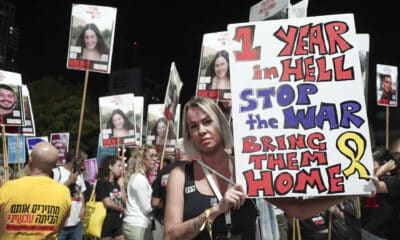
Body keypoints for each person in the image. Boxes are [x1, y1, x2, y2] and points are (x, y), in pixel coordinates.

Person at [163, 97, 348, 240]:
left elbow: (297, 209)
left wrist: (349, 192)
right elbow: (170, 236)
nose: (201, 130)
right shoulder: (179, 175)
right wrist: (215, 211)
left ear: (220, 122)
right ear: (189, 134)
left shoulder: (249, 167)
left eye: (207, 121)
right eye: (193, 126)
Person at [0, 142, 71, 239]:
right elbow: (59, 227)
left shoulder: (8, 188)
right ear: (54, 166)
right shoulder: (64, 192)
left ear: (30, 161)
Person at [361, 146, 400, 240]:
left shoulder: (393, 182)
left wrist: (379, 172)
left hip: (381, 235)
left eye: (372, 163)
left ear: (384, 164)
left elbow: (368, 189)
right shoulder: (375, 179)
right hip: (367, 231)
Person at [123, 144, 158, 240]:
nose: (155, 159)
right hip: (137, 225)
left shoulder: (140, 177)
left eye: (156, 156)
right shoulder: (139, 179)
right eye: (151, 156)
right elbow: (147, 208)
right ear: (142, 158)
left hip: (138, 225)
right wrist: (161, 202)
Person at [52, 149, 87, 240]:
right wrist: (68, 182)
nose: (83, 165)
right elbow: (52, 194)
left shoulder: (78, 173)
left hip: (77, 223)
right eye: (82, 161)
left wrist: (83, 208)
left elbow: (81, 192)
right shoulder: (56, 172)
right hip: (61, 224)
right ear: (74, 161)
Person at [96, 155, 127, 240]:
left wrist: (121, 187)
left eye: (122, 166)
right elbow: (108, 203)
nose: (121, 169)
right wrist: (123, 210)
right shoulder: (102, 183)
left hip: (118, 221)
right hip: (105, 222)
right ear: (110, 167)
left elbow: (125, 201)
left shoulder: (117, 183)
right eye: (119, 166)